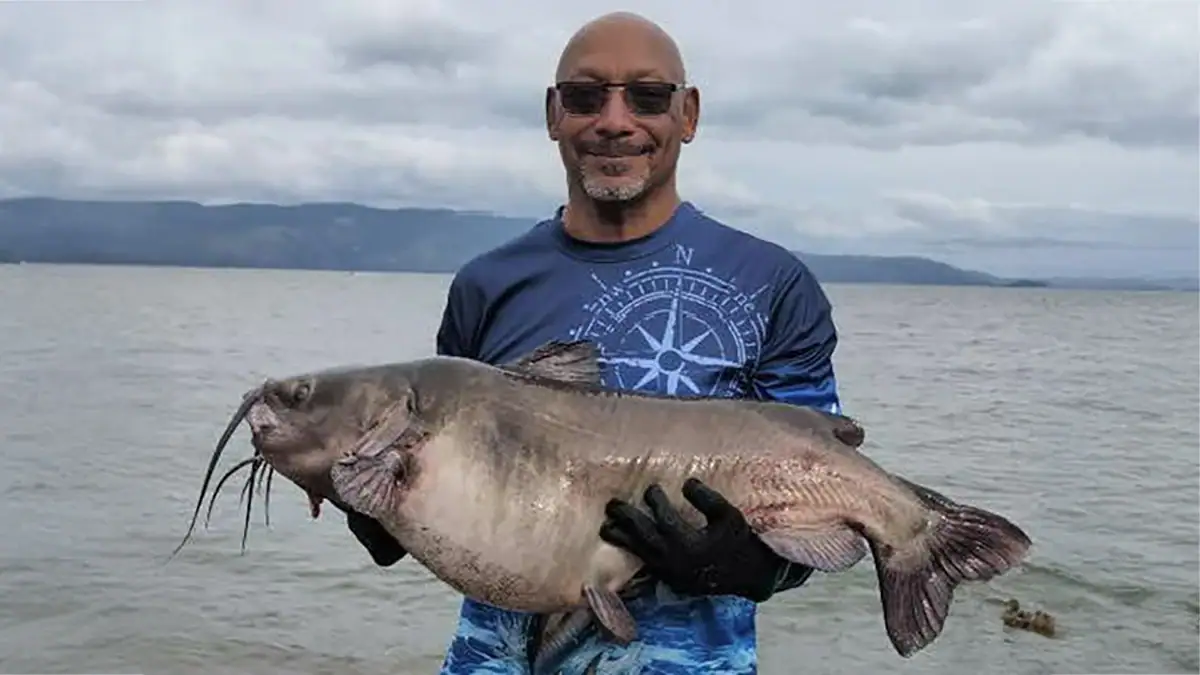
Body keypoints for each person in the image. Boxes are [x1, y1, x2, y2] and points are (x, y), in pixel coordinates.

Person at [351, 11, 845, 674]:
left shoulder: (773, 282)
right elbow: (441, 502)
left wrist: (756, 565)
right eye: (586, 97)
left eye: (647, 96)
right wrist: (361, 489)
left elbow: (826, 490)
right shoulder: (486, 284)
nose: (614, 120)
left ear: (689, 114)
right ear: (554, 113)